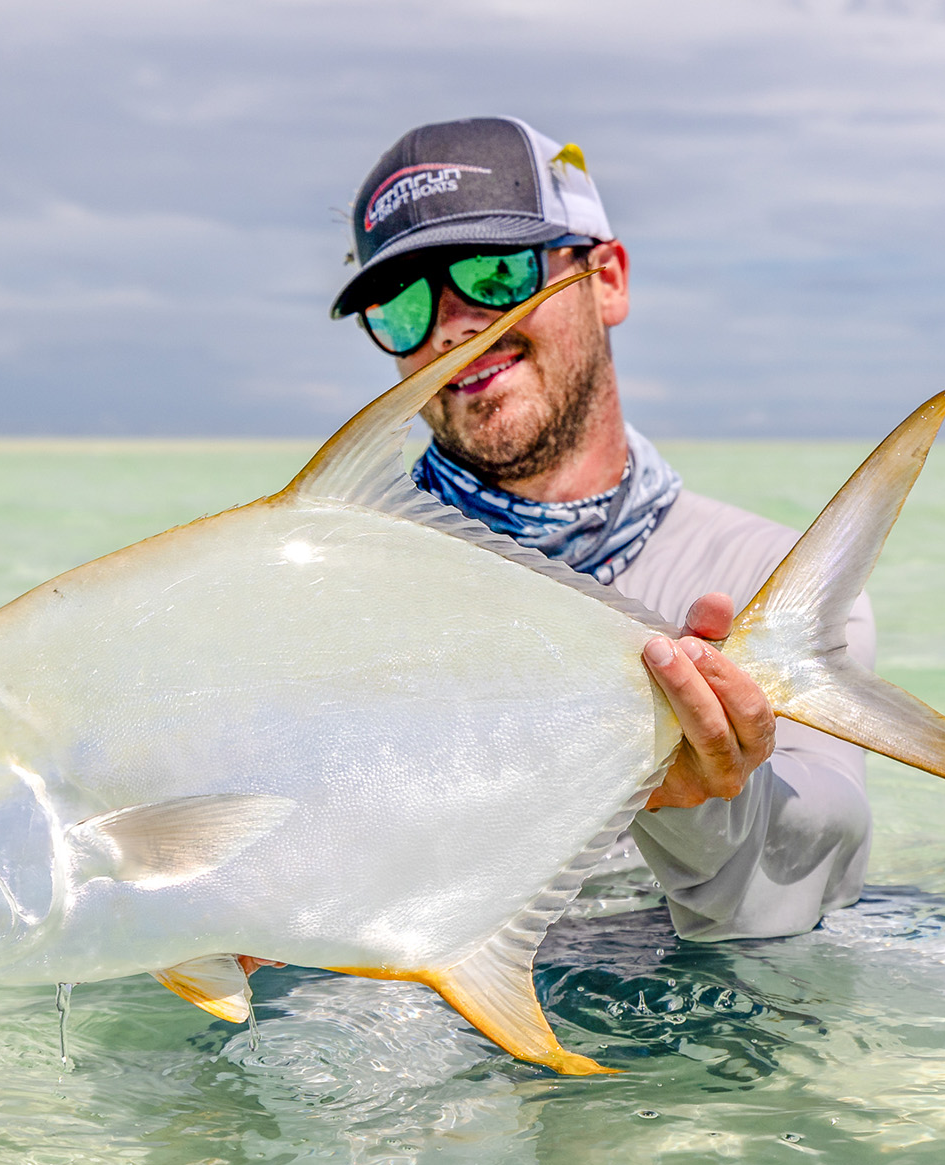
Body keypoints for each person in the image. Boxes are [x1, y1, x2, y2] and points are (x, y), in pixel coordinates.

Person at [327, 116, 877, 941]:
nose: (450, 326)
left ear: (607, 277)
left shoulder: (761, 576)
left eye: (495, 270)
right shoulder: (337, 591)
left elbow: (816, 872)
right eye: (400, 305)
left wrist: (707, 804)